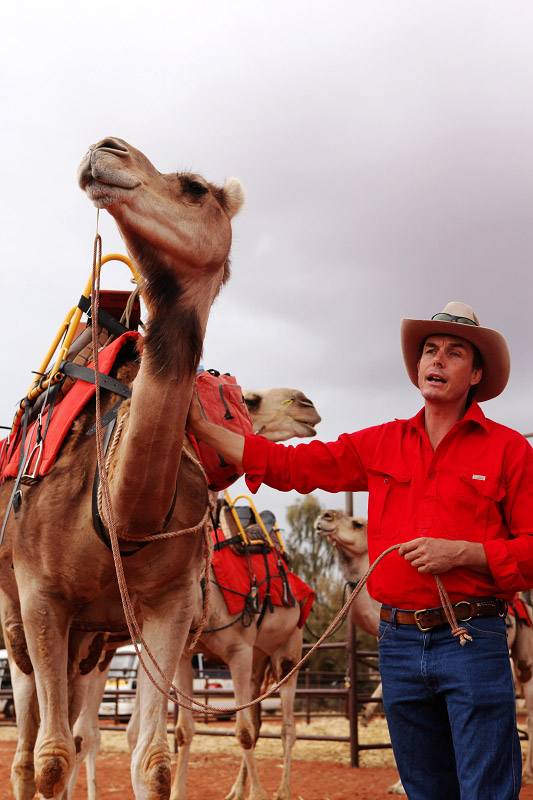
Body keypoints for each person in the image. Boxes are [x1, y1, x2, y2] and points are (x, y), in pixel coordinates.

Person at [187, 301, 533, 800]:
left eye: (454, 353)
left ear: (476, 373)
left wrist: (464, 553)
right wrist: (202, 431)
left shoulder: (509, 451)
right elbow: (289, 467)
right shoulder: (380, 443)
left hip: (472, 638)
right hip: (397, 641)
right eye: (429, 350)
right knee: (425, 789)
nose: (436, 360)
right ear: (417, 367)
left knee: (485, 791)